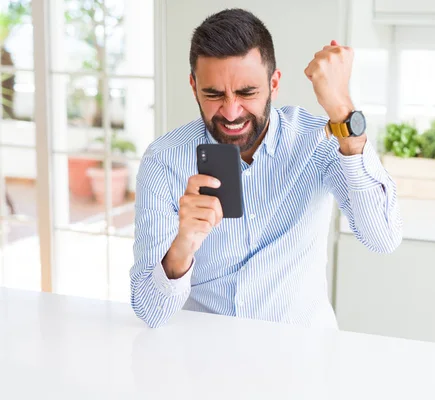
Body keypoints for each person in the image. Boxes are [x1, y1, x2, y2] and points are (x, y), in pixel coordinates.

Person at [130, 8, 403, 329]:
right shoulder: (165, 160)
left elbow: (383, 238)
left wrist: (344, 111)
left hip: (304, 355)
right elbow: (150, 311)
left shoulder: (317, 140)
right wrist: (183, 244)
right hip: (206, 358)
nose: (231, 112)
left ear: (274, 83)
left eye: (247, 92)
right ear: (193, 87)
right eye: (213, 94)